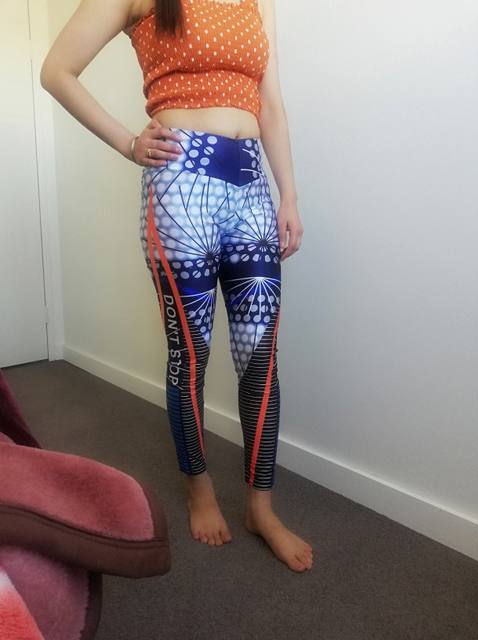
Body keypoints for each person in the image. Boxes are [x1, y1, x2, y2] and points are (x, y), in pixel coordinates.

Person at [40, 0, 312, 572]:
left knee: (260, 359)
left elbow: (270, 102)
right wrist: (127, 142)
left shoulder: (257, 2)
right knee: (190, 354)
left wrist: (288, 193)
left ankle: (260, 506)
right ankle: (199, 487)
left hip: (251, 188)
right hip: (180, 183)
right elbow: (57, 70)